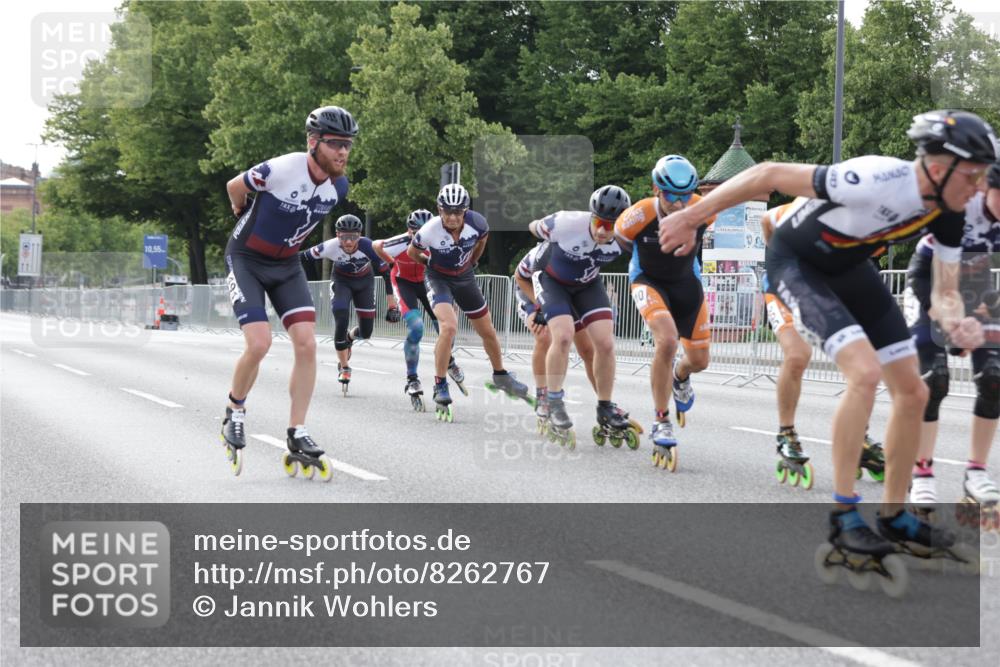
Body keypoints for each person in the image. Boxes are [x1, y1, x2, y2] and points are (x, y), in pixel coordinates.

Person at [659, 109, 996, 575]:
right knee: (864, 372)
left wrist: (959, 322)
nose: (980, 187)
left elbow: (946, 291)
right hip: (799, 264)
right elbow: (768, 174)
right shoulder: (876, 178)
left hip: (850, 267)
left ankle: (894, 516)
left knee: (914, 391)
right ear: (939, 168)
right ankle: (844, 517)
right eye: (974, 176)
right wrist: (692, 216)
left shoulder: (950, 212)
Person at [220, 105, 357, 477]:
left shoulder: (338, 187)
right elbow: (234, 186)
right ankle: (235, 411)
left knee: (307, 344)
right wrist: (240, 208)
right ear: (313, 142)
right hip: (247, 258)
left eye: (347, 145)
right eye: (334, 144)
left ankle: (297, 431)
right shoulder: (282, 168)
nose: (342, 152)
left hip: (286, 265)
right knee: (259, 343)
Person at [759, 208, 885, 490]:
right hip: (785, 285)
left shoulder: (878, 213)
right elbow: (767, 220)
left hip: (831, 286)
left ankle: (859, 437)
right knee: (797, 355)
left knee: (866, 360)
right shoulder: (811, 206)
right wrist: (779, 259)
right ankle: (786, 434)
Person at [906, 160, 1000, 528]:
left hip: (977, 287)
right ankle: (922, 471)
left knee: (994, 378)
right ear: (985, 187)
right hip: (929, 281)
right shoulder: (962, 205)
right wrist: (949, 320)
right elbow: (921, 274)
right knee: (935, 380)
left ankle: (976, 471)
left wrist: (980, 314)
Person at [615, 155, 715, 469]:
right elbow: (621, 239)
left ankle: (679, 377)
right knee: (668, 341)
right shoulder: (639, 214)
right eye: (671, 195)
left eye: (685, 195)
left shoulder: (703, 208)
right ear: (656, 189)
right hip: (648, 281)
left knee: (700, 360)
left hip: (687, 283)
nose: (679, 203)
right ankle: (661, 419)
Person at [526, 185, 637, 448]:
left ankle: (605, 406)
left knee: (605, 343)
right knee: (563, 336)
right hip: (553, 282)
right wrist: (541, 231)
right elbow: (533, 227)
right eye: (598, 222)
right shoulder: (566, 222)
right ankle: (554, 401)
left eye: (610, 226)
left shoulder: (627, 235)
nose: (602, 231)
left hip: (587, 285)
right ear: (590, 216)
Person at [407, 184, 529, 420]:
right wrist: (429, 263)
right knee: (449, 327)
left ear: (465, 211)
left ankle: (500, 375)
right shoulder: (429, 230)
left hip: (464, 277)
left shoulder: (478, 223)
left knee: (488, 330)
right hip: (438, 278)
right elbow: (413, 252)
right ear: (439, 210)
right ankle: (440, 384)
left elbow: (482, 240)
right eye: (447, 212)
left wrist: (472, 261)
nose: (453, 217)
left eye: (458, 212)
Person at [373, 209, 466, 410]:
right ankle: (412, 378)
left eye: (424, 231)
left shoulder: (437, 240)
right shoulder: (400, 242)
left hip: (427, 282)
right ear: (409, 231)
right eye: (415, 232)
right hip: (403, 283)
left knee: (447, 327)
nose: (420, 236)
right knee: (416, 328)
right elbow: (376, 245)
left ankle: (449, 361)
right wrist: (391, 262)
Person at [300, 214, 395, 394]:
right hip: (341, 281)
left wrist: (392, 304)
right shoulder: (329, 246)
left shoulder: (369, 246)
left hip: (364, 283)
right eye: (344, 237)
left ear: (360, 235)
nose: (349, 242)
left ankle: (349, 338)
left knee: (366, 333)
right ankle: (344, 367)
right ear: (337, 235)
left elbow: (386, 273)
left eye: (353, 237)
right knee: (341, 318)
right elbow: (302, 257)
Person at [513, 241, 598, 431]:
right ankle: (543, 395)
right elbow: (520, 277)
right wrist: (539, 306)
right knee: (544, 336)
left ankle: (605, 403)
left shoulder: (584, 251)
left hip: (564, 295)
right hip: (531, 293)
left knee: (588, 349)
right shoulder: (541, 254)